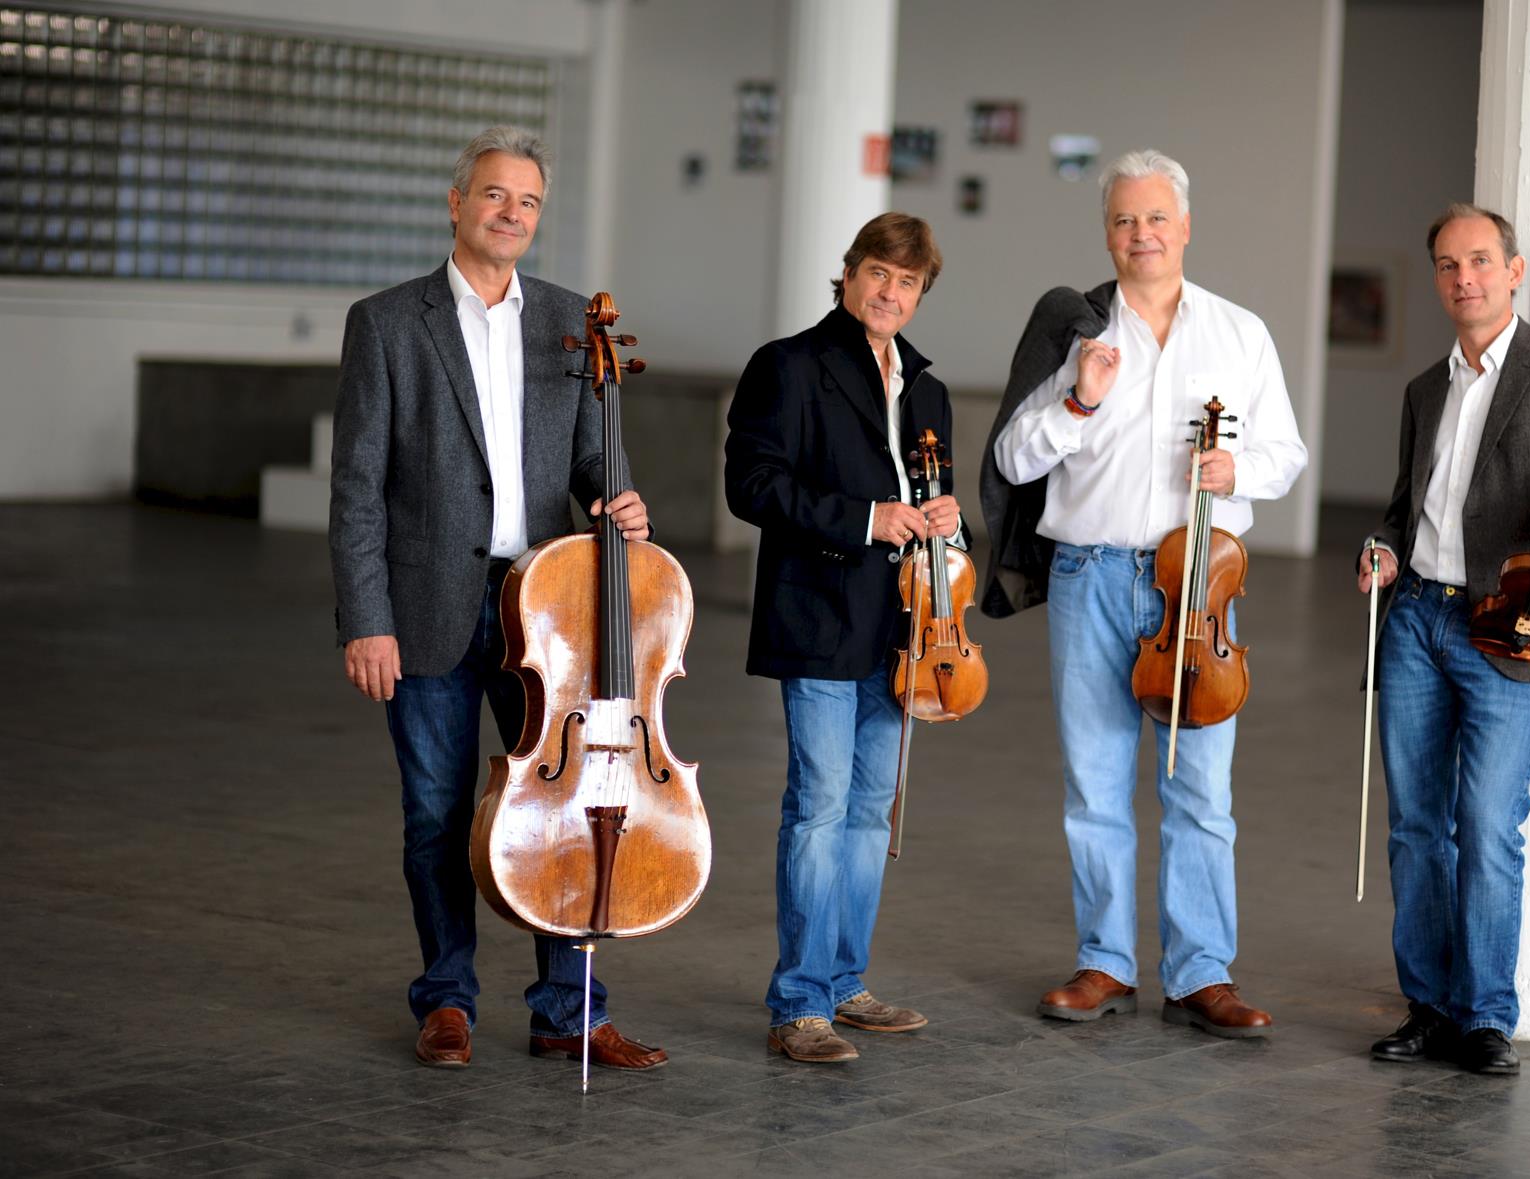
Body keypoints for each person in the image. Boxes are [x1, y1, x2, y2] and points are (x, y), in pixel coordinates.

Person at [329, 126, 666, 1071]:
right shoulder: (390, 321)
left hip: (547, 605)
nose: (510, 213)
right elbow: (356, 485)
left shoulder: (569, 319)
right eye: (494, 196)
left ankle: (570, 1010)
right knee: (436, 812)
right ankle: (447, 998)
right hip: (427, 601)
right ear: (456, 202)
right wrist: (367, 618)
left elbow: (600, 462)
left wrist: (619, 498)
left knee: (567, 807)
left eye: (527, 202)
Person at [982, 149, 1306, 1037]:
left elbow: (1287, 455)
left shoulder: (1240, 334)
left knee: (1201, 789)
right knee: (1095, 783)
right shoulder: (1076, 334)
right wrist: (1077, 404)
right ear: (1108, 232)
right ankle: (1104, 962)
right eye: (1125, 220)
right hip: (1090, 577)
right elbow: (1012, 461)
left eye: (1157, 218)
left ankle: (1202, 972)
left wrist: (1238, 463)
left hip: (1197, 587)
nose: (1142, 234)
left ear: (1186, 226)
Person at [1358, 203, 1530, 1076]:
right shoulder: (1424, 389)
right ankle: (1428, 1005)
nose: (1462, 277)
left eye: (1478, 260)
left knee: (1488, 820)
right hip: (1418, 619)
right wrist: (1383, 550)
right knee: (1416, 825)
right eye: (1446, 264)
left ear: (1514, 269)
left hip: (1507, 620)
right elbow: (1407, 508)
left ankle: (1483, 1017)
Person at [725, 213, 964, 1064]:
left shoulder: (928, 391)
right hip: (820, 614)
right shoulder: (788, 365)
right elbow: (751, 485)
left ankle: (842, 981)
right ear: (850, 274)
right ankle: (798, 1002)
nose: (890, 293)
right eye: (877, 274)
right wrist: (868, 519)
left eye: (908, 283)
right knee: (820, 807)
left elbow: (932, 496)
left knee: (869, 812)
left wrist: (944, 518)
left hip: (906, 630)